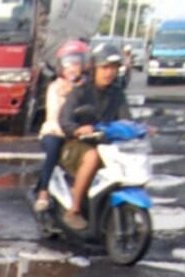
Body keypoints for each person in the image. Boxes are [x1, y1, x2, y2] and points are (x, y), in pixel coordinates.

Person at [57, 42, 131, 231]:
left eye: (113, 68)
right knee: (92, 157)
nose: (109, 72)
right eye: (105, 67)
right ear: (94, 68)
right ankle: (73, 210)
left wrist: (140, 128)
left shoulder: (117, 94)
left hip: (107, 146)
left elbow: (126, 120)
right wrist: (77, 130)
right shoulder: (80, 91)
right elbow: (65, 120)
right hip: (76, 145)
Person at [34, 40, 89, 213]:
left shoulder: (88, 88)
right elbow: (54, 117)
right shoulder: (55, 87)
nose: (72, 67)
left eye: (76, 62)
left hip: (82, 133)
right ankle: (43, 192)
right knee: (53, 151)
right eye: (68, 63)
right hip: (56, 132)